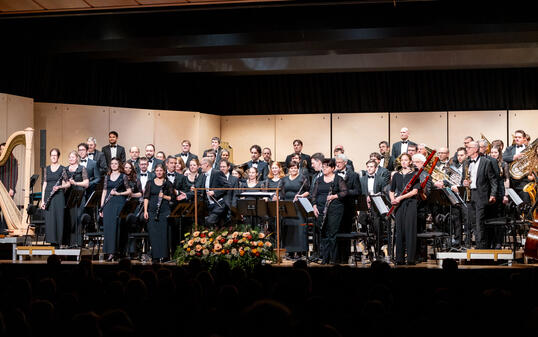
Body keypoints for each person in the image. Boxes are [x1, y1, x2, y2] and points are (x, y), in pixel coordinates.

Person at [460, 141, 497, 249]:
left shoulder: (486, 162)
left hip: (481, 195)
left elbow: (493, 180)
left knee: (479, 221)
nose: (467, 149)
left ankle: (482, 246)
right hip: (469, 194)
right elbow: (463, 178)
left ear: (476, 149)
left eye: (469, 147)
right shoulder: (466, 162)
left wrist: (493, 194)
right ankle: (478, 245)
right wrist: (464, 182)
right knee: (472, 221)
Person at [311, 158, 348, 264]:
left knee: (332, 234)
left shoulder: (338, 179)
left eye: (326, 167)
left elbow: (345, 192)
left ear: (332, 168)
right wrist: (314, 206)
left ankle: (334, 259)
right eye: (323, 167)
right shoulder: (319, 179)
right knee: (323, 234)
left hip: (334, 210)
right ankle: (325, 258)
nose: (324, 168)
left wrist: (334, 196)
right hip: (320, 209)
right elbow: (314, 195)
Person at [389, 153, 419, 265]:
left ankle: (411, 259)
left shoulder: (415, 174)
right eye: (402, 160)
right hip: (399, 205)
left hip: (410, 203)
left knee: (410, 231)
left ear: (410, 162)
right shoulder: (396, 175)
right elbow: (391, 190)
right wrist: (393, 199)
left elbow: (415, 191)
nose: (404, 162)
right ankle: (399, 258)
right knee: (399, 230)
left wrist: (400, 197)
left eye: (406, 160)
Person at [100, 158, 131, 261]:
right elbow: (104, 192)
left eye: (116, 163)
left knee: (118, 228)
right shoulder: (107, 177)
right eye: (112, 163)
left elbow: (129, 191)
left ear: (119, 165)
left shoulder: (123, 176)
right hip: (108, 205)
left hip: (119, 203)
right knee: (109, 228)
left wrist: (119, 193)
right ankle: (110, 252)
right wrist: (101, 207)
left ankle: (117, 252)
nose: (113, 165)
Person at [143, 163, 174, 262]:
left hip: (164, 211)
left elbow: (173, 198)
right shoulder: (150, 182)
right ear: (154, 172)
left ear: (164, 171)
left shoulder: (167, 183)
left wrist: (164, 196)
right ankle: (155, 256)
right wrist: (145, 211)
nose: (159, 172)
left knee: (163, 234)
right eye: (157, 171)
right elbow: (146, 198)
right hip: (152, 211)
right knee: (153, 234)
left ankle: (164, 256)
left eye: (161, 170)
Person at [40, 148, 70, 247]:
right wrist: (42, 200)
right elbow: (44, 184)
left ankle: (59, 242)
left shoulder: (62, 169)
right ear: (50, 156)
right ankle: (52, 241)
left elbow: (68, 184)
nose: (53, 157)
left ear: (58, 156)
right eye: (52, 155)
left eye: (55, 155)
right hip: (49, 195)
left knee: (59, 218)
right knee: (50, 219)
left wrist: (60, 187)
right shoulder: (46, 169)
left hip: (58, 196)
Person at [280, 161, 310, 259]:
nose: (293, 170)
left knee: (299, 228)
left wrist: (301, 196)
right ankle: (289, 251)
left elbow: (308, 191)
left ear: (298, 168)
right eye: (291, 168)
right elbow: (282, 193)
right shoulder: (284, 179)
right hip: (288, 205)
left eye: (295, 168)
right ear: (288, 169)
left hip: (299, 205)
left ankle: (300, 252)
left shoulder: (302, 178)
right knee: (289, 228)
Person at [335, 153, 360, 263]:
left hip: (348, 208)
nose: (337, 164)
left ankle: (345, 257)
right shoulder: (334, 174)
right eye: (336, 163)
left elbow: (358, 191)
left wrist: (344, 192)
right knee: (336, 232)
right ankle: (336, 257)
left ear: (345, 163)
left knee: (346, 233)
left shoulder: (353, 175)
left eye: (339, 162)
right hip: (336, 208)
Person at [65, 150, 89, 248]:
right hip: (69, 195)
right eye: (70, 157)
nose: (71, 159)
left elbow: (86, 183)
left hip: (79, 195)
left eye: (73, 157)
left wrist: (75, 183)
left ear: (77, 158)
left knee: (78, 217)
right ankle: (70, 242)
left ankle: (78, 242)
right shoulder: (65, 169)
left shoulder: (82, 168)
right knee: (70, 218)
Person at [488, 146, 510, 249]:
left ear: (499, 153)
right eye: (492, 152)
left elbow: (506, 180)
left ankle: (499, 242)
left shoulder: (503, 164)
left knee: (499, 218)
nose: (493, 154)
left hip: (500, 192)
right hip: (491, 193)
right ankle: (491, 241)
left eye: (495, 152)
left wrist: (506, 195)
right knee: (491, 218)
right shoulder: (488, 163)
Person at [199, 157, 229, 227]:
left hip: (219, 204)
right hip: (209, 205)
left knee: (209, 222)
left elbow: (227, 186)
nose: (200, 167)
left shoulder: (217, 173)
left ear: (206, 164)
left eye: (201, 165)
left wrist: (215, 192)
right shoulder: (203, 175)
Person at [503, 130, 531, 203]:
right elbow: (504, 157)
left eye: (519, 137)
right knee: (513, 204)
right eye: (516, 137)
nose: (517, 139)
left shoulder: (529, 149)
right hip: (512, 181)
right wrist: (513, 157)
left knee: (525, 203)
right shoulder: (509, 149)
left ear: (524, 139)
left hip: (524, 180)